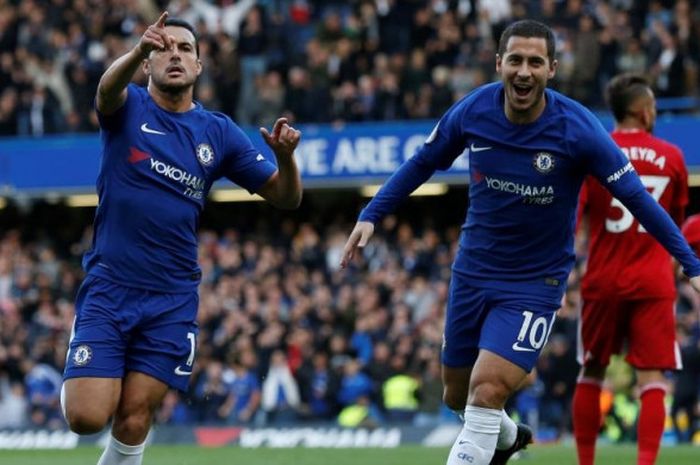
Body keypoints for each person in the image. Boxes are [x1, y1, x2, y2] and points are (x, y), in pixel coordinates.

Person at [340, 19, 700, 465]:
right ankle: (508, 440)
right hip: (472, 272)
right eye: (515, 60)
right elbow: (422, 163)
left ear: (552, 69)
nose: (524, 72)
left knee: (486, 389)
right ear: (499, 64)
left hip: (534, 284)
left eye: (535, 62)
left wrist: (690, 262)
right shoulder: (473, 111)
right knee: (458, 394)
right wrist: (372, 213)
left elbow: (637, 200)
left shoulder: (579, 129)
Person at [60, 12, 302, 465]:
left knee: (134, 419)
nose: (174, 54)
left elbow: (287, 199)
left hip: (172, 297)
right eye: (164, 47)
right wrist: (136, 50)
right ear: (149, 63)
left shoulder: (219, 132)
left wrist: (285, 159)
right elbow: (104, 91)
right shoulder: (128, 106)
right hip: (111, 288)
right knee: (87, 418)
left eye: (185, 48)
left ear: (199, 66)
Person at [572, 73, 688, 465]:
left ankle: (586, 461)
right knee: (652, 379)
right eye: (653, 106)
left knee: (592, 370)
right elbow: (675, 226)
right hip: (654, 281)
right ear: (642, 110)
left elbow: (574, 219)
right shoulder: (672, 157)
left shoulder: (594, 152)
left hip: (602, 280)